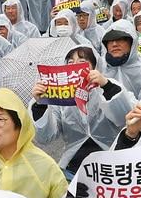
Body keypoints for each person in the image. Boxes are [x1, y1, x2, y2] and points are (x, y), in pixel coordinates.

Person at [31, 43, 130, 175]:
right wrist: (41, 104)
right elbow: (45, 137)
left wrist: (106, 86)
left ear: (95, 66)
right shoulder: (60, 95)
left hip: (110, 161)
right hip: (74, 164)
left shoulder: (108, 85)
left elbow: (124, 118)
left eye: (82, 62)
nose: (75, 66)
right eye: (70, 62)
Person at [98, 19, 141, 97]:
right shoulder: (99, 66)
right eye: (110, 41)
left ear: (132, 42)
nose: (114, 44)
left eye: (119, 39)